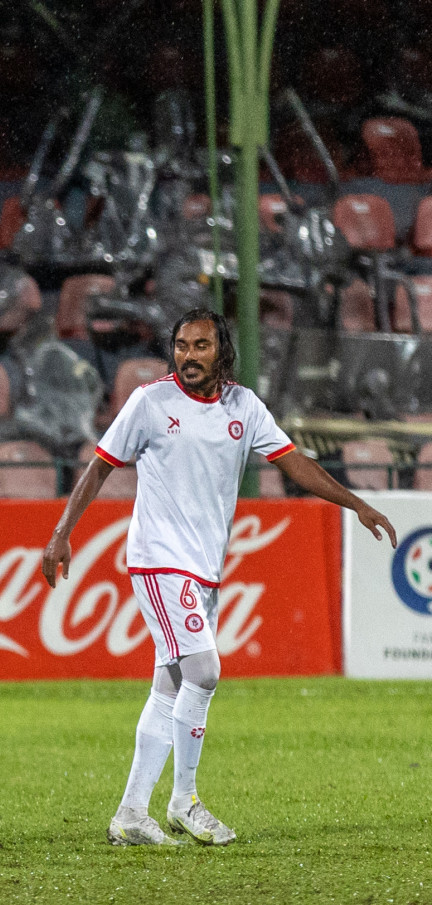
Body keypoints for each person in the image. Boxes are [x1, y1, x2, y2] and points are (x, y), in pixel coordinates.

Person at [42, 309, 398, 846]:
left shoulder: (243, 407)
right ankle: (183, 801)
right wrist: (61, 532)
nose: (188, 355)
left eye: (200, 345)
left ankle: (131, 814)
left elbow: (293, 461)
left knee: (172, 683)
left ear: (221, 350)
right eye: (181, 345)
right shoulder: (150, 402)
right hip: (160, 560)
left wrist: (355, 504)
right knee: (204, 671)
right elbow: (99, 466)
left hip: (204, 568)